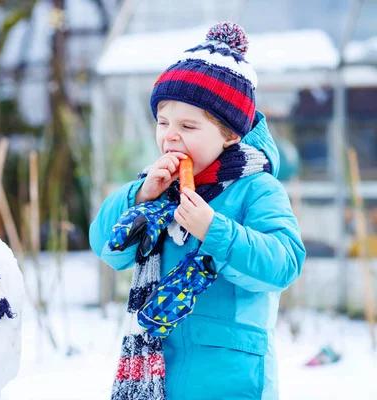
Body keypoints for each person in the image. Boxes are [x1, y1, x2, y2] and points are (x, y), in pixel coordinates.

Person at [89, 22, 306, 400]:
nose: (170, 135)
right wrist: (138, 197)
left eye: (188, 125)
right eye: (163, 122)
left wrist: (214, 229)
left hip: (232, 378)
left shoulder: (257, 188)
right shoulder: (158, 187)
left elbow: (284, 264)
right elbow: (107, 247)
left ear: (230, 134)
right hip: (155, 372)